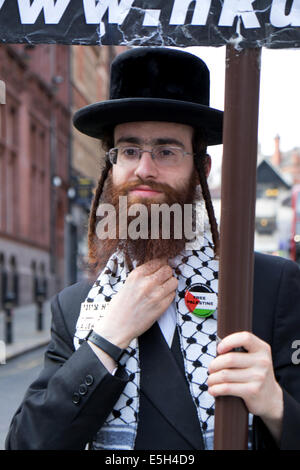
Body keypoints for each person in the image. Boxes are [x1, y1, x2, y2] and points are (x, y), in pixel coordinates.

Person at [6, 47, 300, 451]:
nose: (145, 168)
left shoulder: (269, 286)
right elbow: (28, 443)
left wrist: (277, 406)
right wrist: (108, 338)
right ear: (110, 165)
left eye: (166, 150)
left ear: (202, 169)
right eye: (129, 150)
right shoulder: (75, 308)